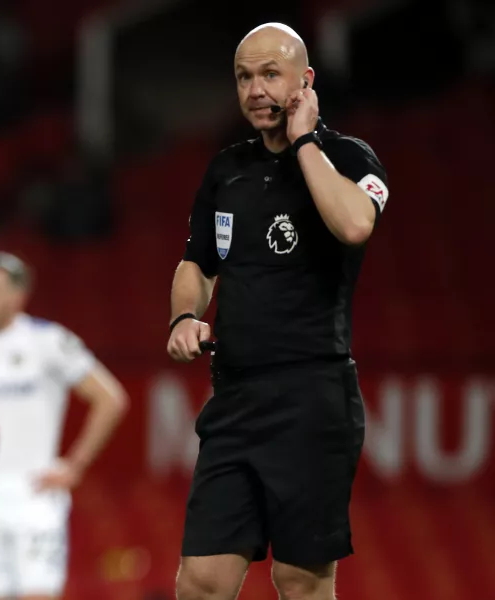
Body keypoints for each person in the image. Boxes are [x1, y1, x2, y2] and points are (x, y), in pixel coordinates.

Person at [166, 23, 388, 600]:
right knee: (201, 583)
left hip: (312, 399)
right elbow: (196, 264)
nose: (255, 89)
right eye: (244, 77)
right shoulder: (226, 170)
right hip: (234, 400)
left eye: (270, 74)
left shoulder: (348, 156)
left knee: (300, 581)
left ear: (304, 81)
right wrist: (185, 316)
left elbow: (355, 224)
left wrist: (305, 141)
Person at [0, 251, 128, 600]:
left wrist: (75, 465)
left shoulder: (48, 340)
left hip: (34, 494)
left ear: (19, 295)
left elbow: (111, 398)